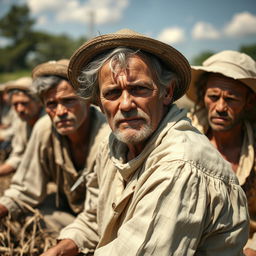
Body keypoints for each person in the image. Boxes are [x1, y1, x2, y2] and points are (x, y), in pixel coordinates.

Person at [42, 29, 249, 256]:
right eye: (112, 93)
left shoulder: (180, 164)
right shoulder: (112, 146)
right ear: (100, 104)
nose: (126, 104)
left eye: (139, 89)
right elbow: (94, 215)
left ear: (166, 92)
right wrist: (62, 248)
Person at [0, 59, 110, 235]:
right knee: (29, 218)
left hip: (101, 220)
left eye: (69, 101)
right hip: (69, 211)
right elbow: (25, 188)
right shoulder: (44, 128)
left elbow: (102, 211)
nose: (60, 112)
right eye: (52, 104)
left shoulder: (107, 135)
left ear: (88, 100)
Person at [186, 50, 256, 256]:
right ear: (202, 96)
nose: (220, 107)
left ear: (248, 102)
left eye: (231, 99)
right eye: (213, 97)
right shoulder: (184, 139)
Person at [0, 77, 43, 176]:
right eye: (15, 104)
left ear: (39, 102)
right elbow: (18, 155)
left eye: (24, 103)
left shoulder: (49, 122)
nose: (20, 109)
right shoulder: (21, 123)